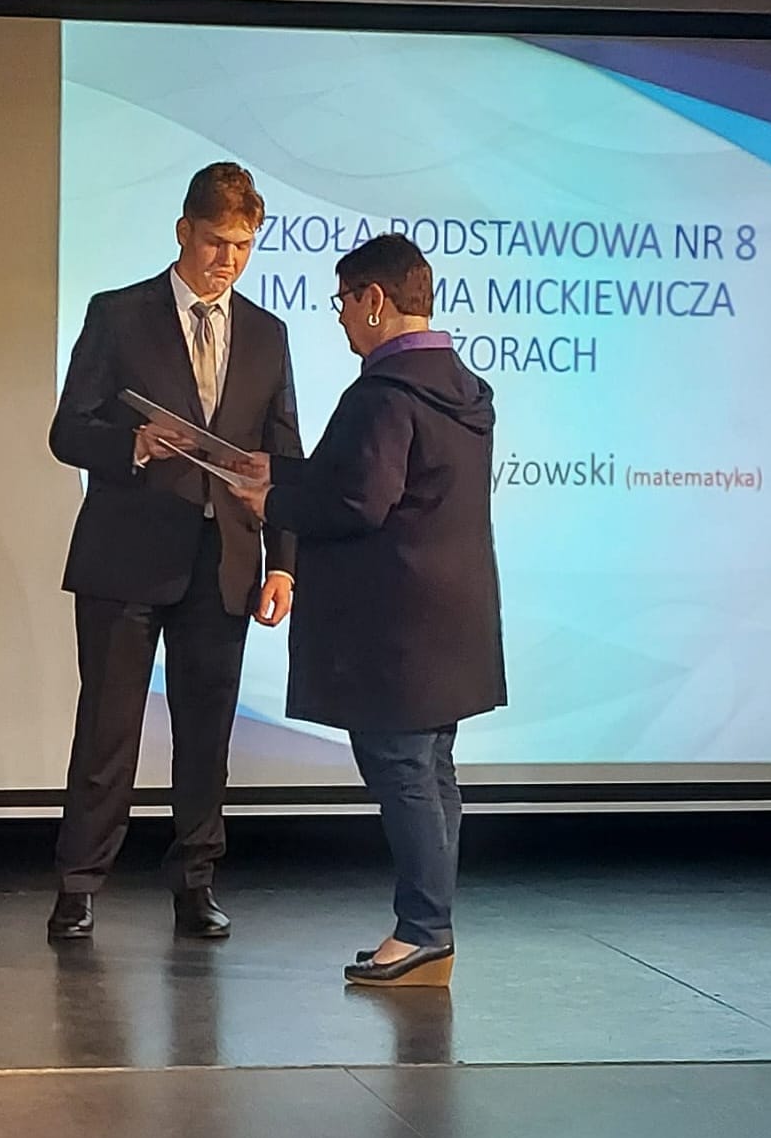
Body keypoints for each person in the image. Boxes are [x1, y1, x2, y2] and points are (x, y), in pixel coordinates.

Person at [230, 234, 506, 987]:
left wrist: (271, 501)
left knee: (404, 773)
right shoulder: (459, 388)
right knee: (431, 771)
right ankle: (431, 927)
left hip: (394, 626)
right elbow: (377, 478)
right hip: (448, 618)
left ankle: (423, 930)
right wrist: (281, 469)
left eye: (344, 303)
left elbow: (360, 502)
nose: (343, 319)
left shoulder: (384, 393)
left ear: (375, 300)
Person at [46, 162, 303, 941]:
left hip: (224, 561)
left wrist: (285, 564)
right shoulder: (119, 314)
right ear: (184, 231)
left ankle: (195, 882)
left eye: (244, 245)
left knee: (206, 733)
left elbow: (283, 456)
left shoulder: (267, 333)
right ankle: (79, 884)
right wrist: (132, 443)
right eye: (217, 241)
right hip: (126, 555)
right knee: (108, 730)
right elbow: (67, 430)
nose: (228, 259)